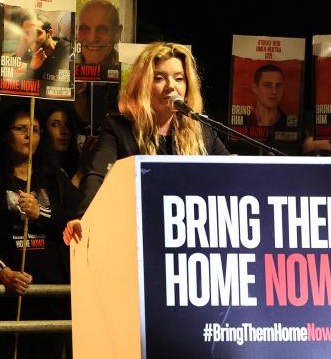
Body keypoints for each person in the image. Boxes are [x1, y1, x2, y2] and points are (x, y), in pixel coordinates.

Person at [64, 42, 229, 244]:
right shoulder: (118, 129)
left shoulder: (202, 130)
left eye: (179, 78)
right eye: (159, 78)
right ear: (142, 84)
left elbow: (229, 177)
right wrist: (84, 217)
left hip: (192, 239)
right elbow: (97, 177)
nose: (171, 86)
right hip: (139, 237)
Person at [0, 103, 80, 358]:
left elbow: (77, 219)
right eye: (20, 128)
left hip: (50, 298)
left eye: (35, 130)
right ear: (4, 134)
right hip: (7, 297)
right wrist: (3, 271)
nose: (29, 135)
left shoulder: (54, 177)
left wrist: (42, 214)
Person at [15, 11, 72, 84]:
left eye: (36, 32)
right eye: (27, 33)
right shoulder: (28, 54)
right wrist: (32, 68)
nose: (31, 38)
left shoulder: (67, 51)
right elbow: (19, 85)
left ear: (50, 33)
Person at [76, 0, 122, 66]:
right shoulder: (66, 64)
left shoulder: (129, 70)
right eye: (84, 29)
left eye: (102, 30)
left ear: (117, 34)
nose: (92, 39)